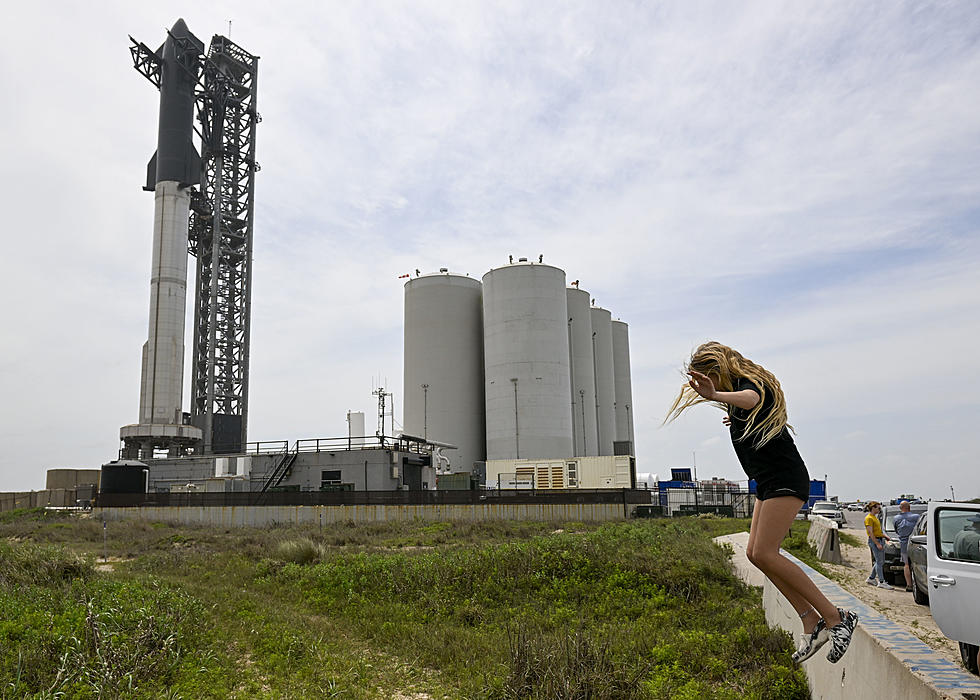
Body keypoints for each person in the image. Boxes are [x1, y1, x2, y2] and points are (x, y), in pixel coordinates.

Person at [666, 342, 858, 664]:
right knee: (755, 554)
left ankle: (837, 618)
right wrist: (733, 415)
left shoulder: (747, 385)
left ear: (719, 370)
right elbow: (749, 406)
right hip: (769, 482)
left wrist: (716, 397)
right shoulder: (740, 400)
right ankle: (811, 621)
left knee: (767, 552)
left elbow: (751, 398)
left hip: (784, 478)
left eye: (712, 378)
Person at [864, 502, 893, 589]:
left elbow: (878, 531)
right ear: (873, 508)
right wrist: (877, 543)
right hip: (875, 541)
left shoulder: (874, 518)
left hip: (880, 539)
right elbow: (870, 533)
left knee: (880, 561)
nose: (879, 510)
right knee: (879, 562)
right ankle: (881, 581)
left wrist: (885, 536)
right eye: (878, 508)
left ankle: (871, 578)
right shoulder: (869, 518)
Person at [893, 501, 920, 591]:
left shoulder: (896, 518)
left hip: (904, 544)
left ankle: (909, 585)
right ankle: (919, 584)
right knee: (917, 564)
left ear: (900, 508)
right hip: (915, 542)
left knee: (906, 564)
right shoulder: (916, 517)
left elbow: (896, 530)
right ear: (909, 508)